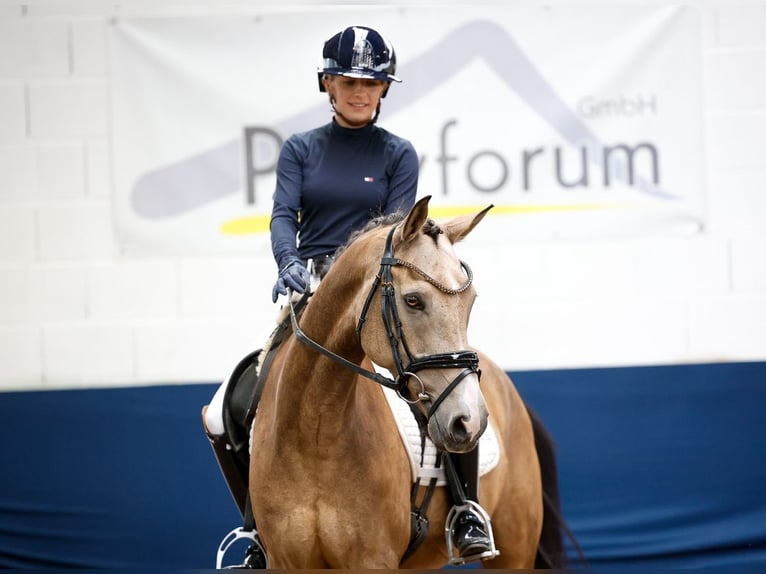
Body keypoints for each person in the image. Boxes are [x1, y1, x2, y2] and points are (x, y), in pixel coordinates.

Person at [203, 25, 493, 567]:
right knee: (227, 407)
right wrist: (288, 261)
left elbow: (397, 228)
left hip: (376, 289)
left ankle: (464, 508)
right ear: (328, 84)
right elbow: (283, 215)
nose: (360, 91)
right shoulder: (300, 149)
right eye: (348, 81)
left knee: (443, 382)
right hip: (309, 293)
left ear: (384, 90)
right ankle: (255, 529)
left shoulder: (396, 154)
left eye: (372, 83)